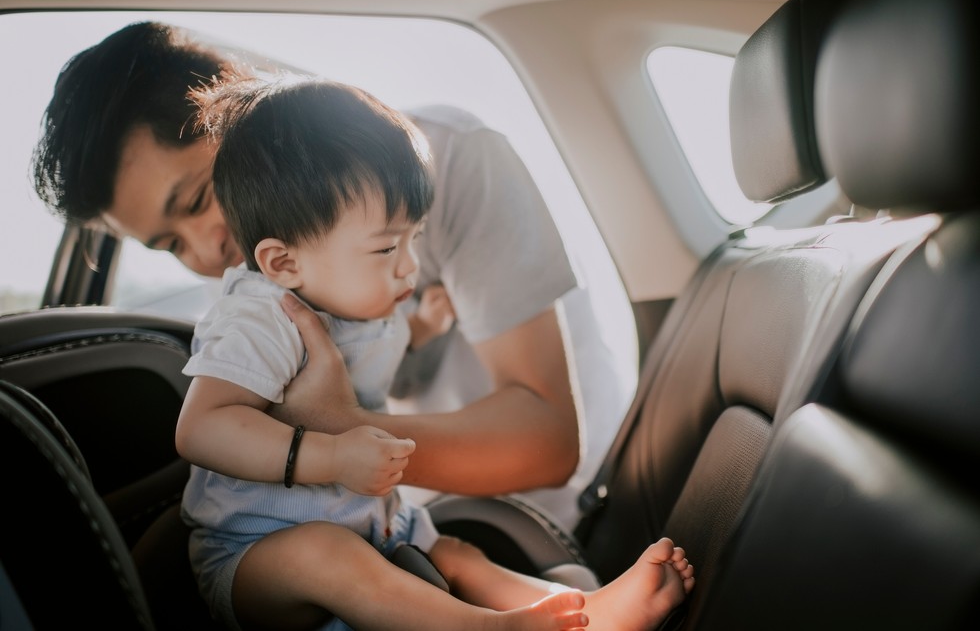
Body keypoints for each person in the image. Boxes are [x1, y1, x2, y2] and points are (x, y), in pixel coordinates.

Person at [30, 20, 624, 532]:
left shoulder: (455, 157)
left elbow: (547, 443)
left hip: (537, 516)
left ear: (241, 113)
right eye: (169, 245)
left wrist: (341, 432)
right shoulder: (261, 269)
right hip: (392, 515)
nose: (207, 251)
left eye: (197, 199)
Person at [175, 74, 694, 630]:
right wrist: (330, 456)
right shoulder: (261, 318)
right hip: (255, 552)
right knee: (327, 555)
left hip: (373, 527)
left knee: (457, 555)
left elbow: (369, 358)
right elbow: (201, 428)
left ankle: (588, 613)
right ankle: (490, 627)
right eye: (386, 248)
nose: (411, 266)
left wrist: (420, 328)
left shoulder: (356, 302)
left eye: (415, 239)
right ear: (283, 263)